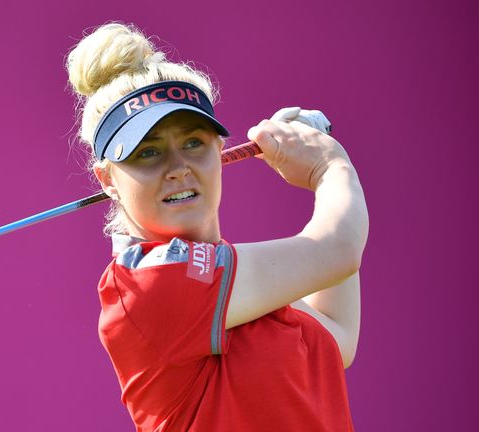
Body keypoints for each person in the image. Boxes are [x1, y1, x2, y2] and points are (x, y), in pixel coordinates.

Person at [66, 23, 369, 432]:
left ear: (220, 151)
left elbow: (338, 338)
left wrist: (324, 177)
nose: (178, 168)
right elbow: (339, 248)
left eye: (194, 142)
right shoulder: (146, 282)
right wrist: (329, 166)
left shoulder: (234, 282)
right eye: (148, 151)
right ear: (107, 179)